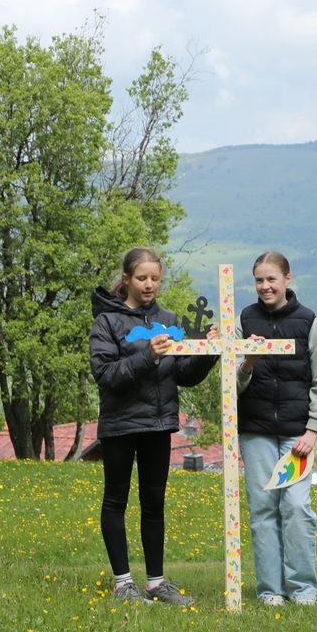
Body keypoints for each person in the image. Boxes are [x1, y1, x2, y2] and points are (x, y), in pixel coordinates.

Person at [90, 246, 219, 606]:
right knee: (116, 500)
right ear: (127, 279)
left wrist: (207, 355)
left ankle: (156, 583)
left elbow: (183, 375)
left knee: (154, 503)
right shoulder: (107, 322)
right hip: (119, 424)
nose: (149, 285)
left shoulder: (168, 319)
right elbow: (105, 375)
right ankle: (122, 583)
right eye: (142, 278)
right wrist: (147, 357)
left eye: (155, 279)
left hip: (159, 424)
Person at [237, 251, 317, 607]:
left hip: (297, 433)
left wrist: (313, 430)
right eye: (259, 281)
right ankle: (270, 591)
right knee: (263, 508)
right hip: (256, 431)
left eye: (271, 279)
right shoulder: (245, 319)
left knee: (296, 507)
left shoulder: (308, 321)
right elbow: (233, 384)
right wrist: (248, 361)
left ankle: (303, 589)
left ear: (287, 279)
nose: (265, 287)